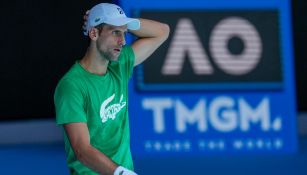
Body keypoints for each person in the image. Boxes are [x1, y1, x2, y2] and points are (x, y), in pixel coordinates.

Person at [54, 2, 169, 175]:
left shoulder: (120, 66)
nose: (123, 41)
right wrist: (122, 173)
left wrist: (124, 22)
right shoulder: (71, 86)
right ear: (94, 33)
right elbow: (82, 151)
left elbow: (162, 31)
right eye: (115, 32)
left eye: (124, 33)